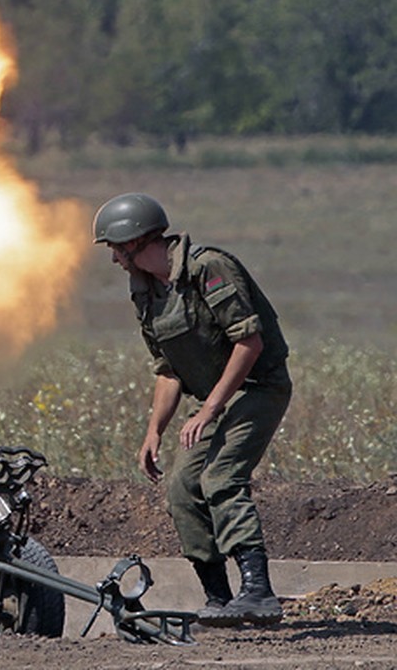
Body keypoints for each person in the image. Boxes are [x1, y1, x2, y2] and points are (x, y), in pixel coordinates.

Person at [93, 193, 291, 627]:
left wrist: (209, 410)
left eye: (114, 248)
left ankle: (258, 591)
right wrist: (154, 431)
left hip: (257, 388)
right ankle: (219, 599)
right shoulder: (146, 292)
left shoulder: (208, 269)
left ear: (134, 241)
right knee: (182, 487)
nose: (114, 260)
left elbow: (249, 343)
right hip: (212, 400)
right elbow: (168, 370)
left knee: (221, 477)